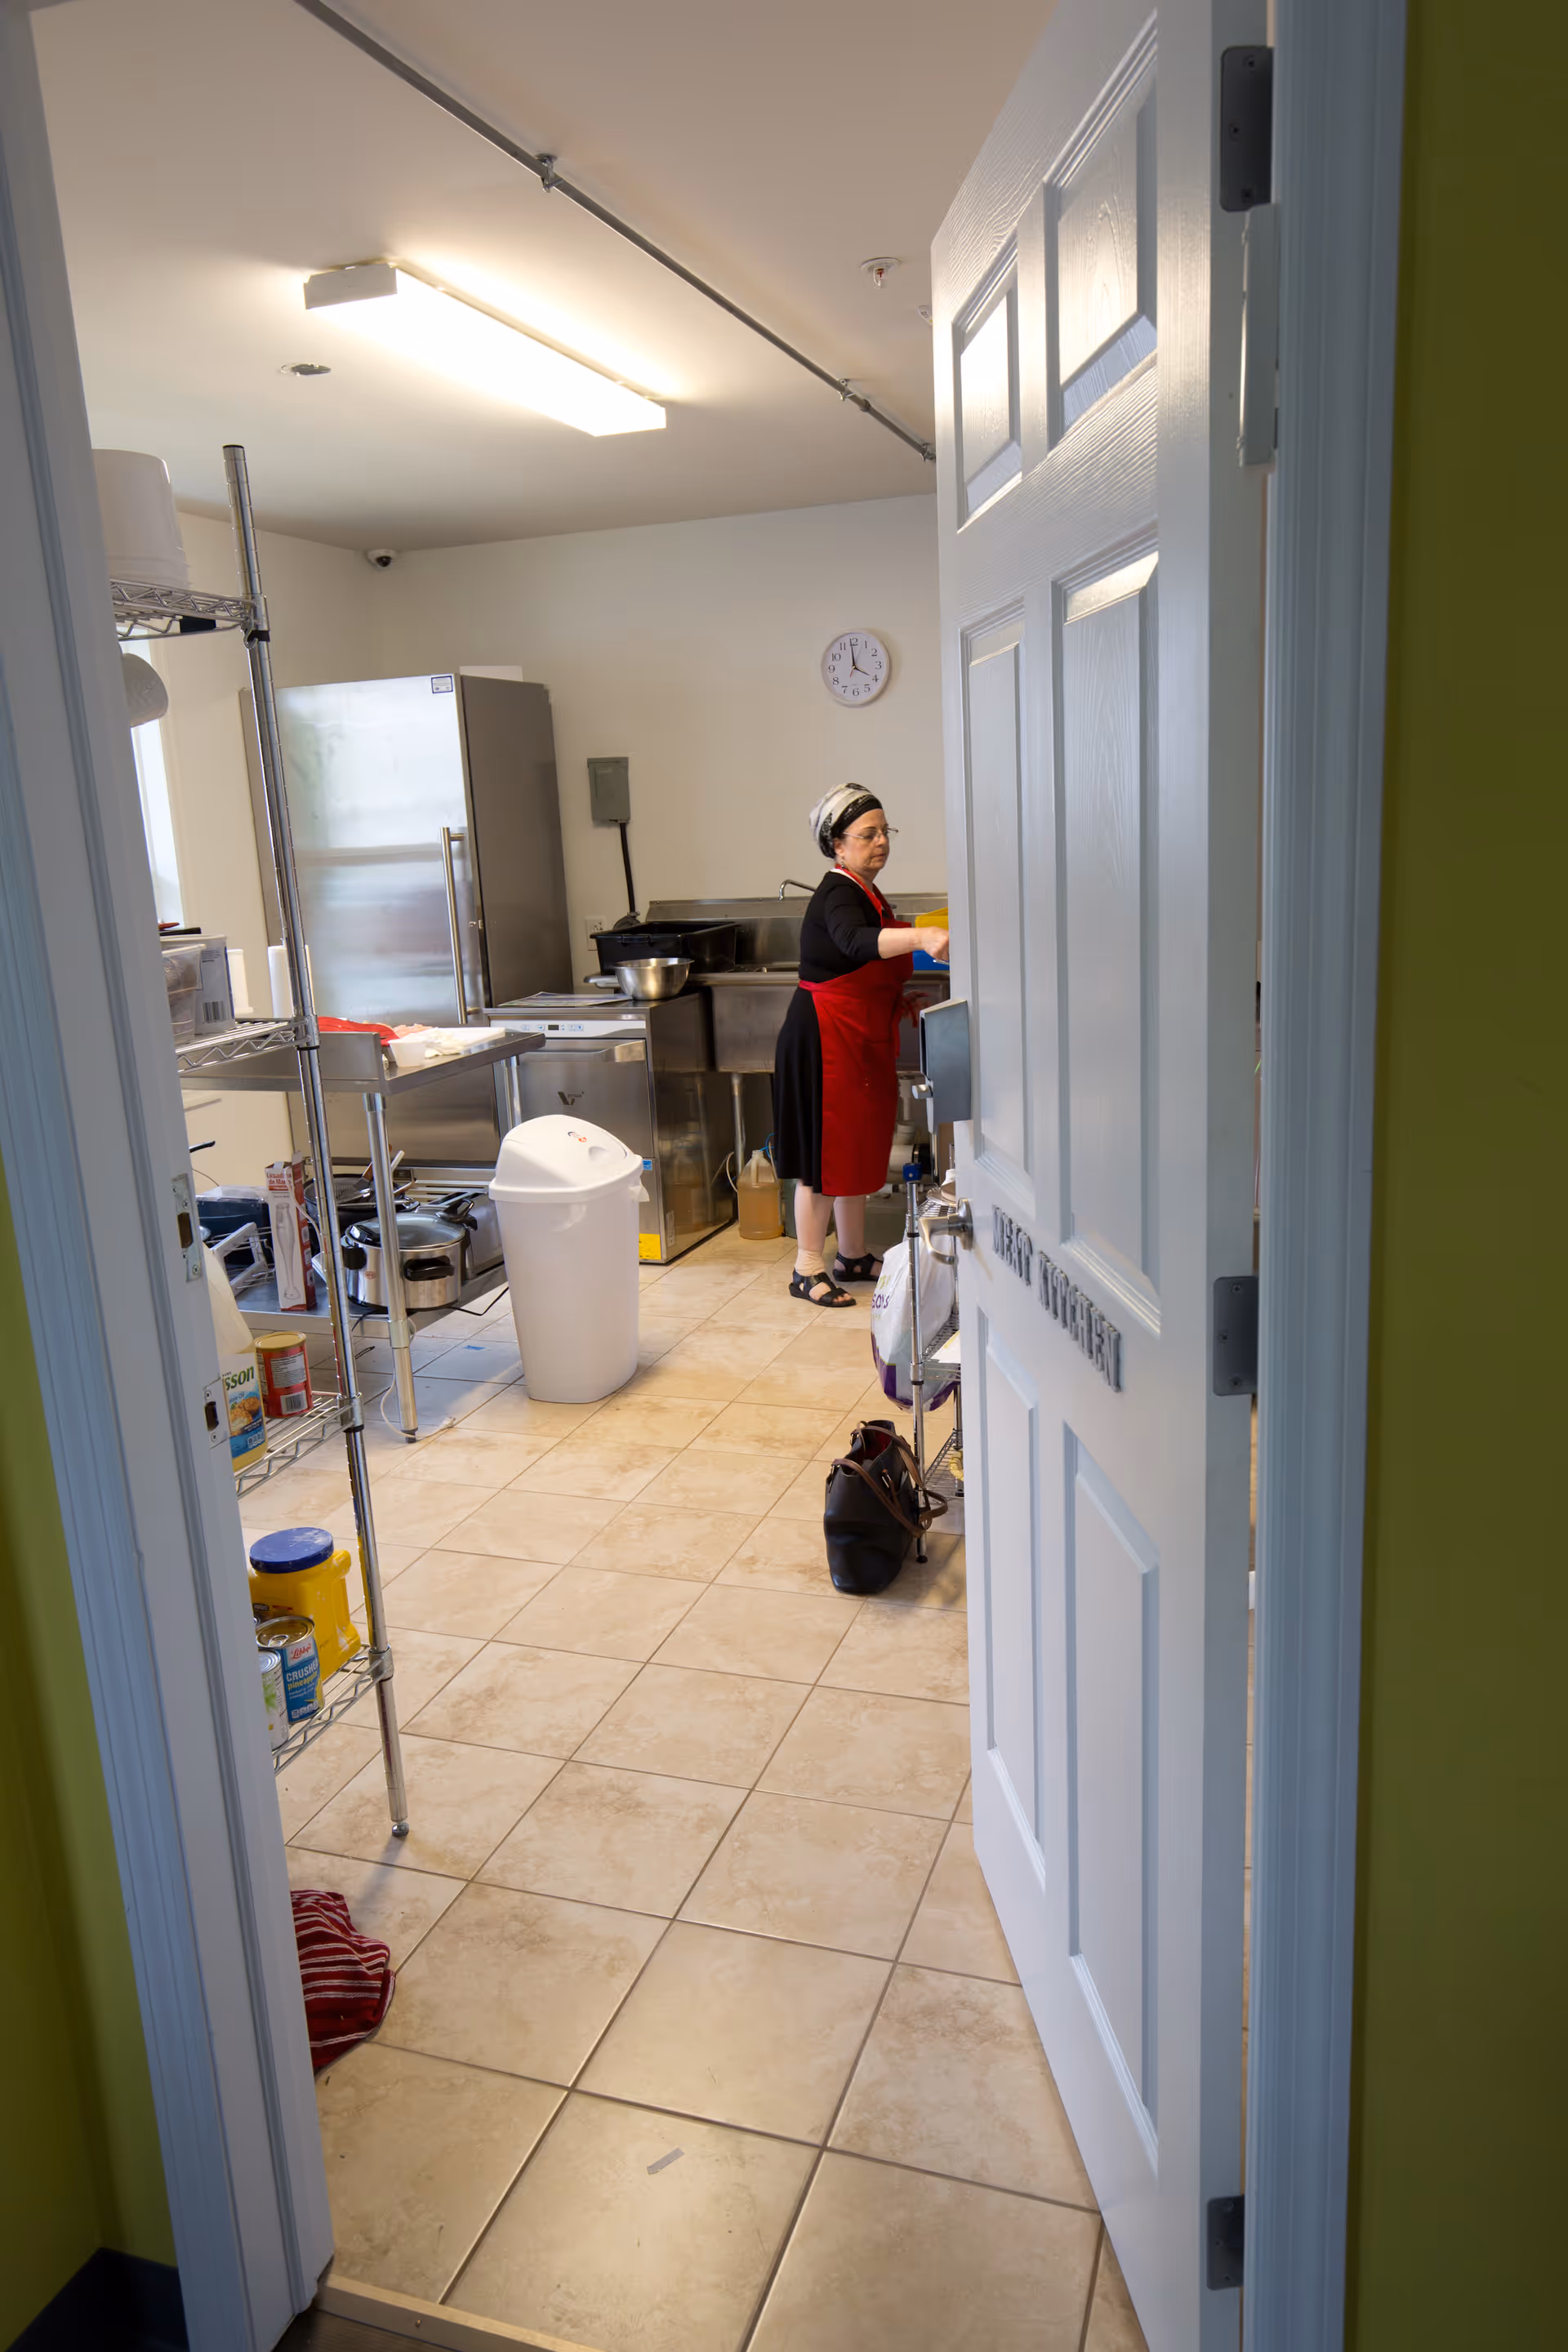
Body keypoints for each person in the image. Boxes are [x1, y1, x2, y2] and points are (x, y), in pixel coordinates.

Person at [771, 784, 949, 1307]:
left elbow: (861, 961)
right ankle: (808, 1267)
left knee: (857, 1145)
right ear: (837, 845)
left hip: (857, 1033)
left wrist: (897, 994)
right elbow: (854, 943)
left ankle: (851, 1254)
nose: (880, 842)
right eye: (866, 834)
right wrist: (920, 938)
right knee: (825, 1154)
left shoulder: (865, 890)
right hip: (825, 1037)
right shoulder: (837, 892)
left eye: (884, 832)